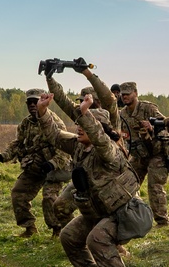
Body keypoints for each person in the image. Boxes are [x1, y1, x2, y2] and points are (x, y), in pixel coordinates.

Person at [35, 92, 142, 267]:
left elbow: (102, 142)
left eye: (86, 123)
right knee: (69, 236)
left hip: (123, 213)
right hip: (98, 211)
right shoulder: (79, 146)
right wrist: (43, 111)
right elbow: (55, 135)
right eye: (79, 123)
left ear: (98, 129)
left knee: (97, 238)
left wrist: (86, 114)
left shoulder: (110, 151)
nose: (79, 127)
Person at [42, 60, 120, 226]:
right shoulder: (81, 116)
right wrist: (49, 77)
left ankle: (113, 240)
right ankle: (77, 233)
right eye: (82, 101)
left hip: (110, 180)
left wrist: (87, 73)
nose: (86, 105)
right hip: (87, 174)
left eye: (91, 101)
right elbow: (63, 101)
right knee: (61, 207)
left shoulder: (110, 117)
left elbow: (109, 99)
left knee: (111, 215)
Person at [0, 88, 72, 238]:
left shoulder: (55, 122)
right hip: (34, 167)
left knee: (49, 198)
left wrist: (52, 164)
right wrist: (3, 156)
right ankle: (29, 228)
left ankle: (58, 230)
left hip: (53, 170)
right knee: (18, 193)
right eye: (29, 102)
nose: (32, 105)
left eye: (35, 101)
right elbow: (17, 144)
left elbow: (64, 149)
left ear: (43, 103)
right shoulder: (25, 123)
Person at [118, 81, 169, 226]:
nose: (125, 97)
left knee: (155, 187)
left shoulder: (148, 108)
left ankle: (162, 221)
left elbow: (166, 127)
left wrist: (152, 127)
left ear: (135, 93)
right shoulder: (122, 114)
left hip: (156, 154)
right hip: (137, 155)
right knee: (128, 184)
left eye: (128, 94)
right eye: (123, 95)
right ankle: (132, 217)